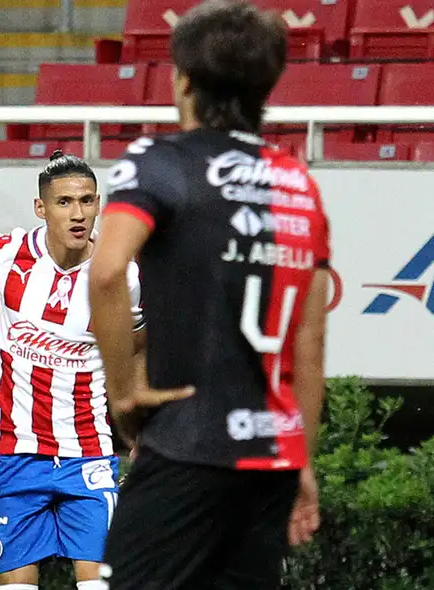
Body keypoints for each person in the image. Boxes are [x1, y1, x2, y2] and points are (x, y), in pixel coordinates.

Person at [87, 2, 330, 588]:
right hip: (271, 456)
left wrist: (124, 391)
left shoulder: (158, 163)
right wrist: (301, 457)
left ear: (184, 81)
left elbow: (104, 271)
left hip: (186, 445)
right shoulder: (298, 183)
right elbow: (310, 336)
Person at [0, 151, 145, 590]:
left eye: (88, 201)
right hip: (15, 456)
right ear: (41, 208)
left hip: (88, 453)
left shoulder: (120, 275)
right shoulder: (9, 253)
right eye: (65, 202)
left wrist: (144, 427)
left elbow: (138, 348)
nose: (78, 214)